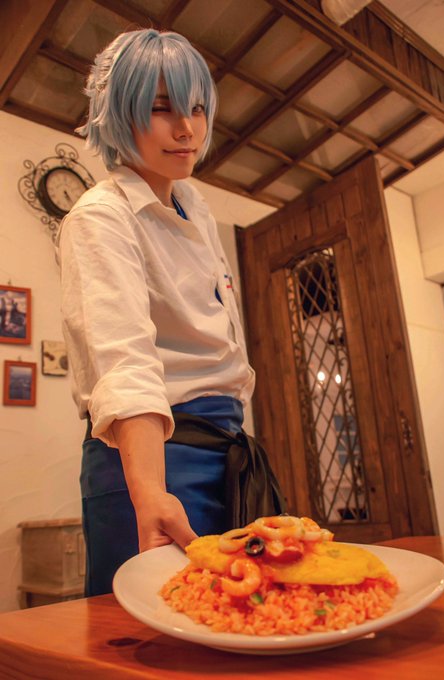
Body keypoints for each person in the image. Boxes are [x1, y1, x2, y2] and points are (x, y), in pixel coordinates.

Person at [56, 28, 260, 596]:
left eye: (197, 108)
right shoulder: (101, 216)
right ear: (119, 112)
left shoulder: (196, 205)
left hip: (226, 449)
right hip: (152, 457)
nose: (187, 128)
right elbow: (124, 361)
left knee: (230, 616)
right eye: (162, 108)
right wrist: (149, 490)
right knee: (148, 629)